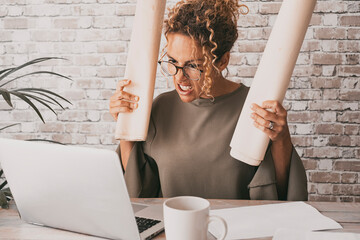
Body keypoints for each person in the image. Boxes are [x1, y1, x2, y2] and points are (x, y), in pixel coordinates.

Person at [109, 0, 308, 200]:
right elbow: (138, 191)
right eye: (172, 62)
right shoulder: (161, 108)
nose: (179, 77)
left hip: (237, 230)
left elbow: (278, 197)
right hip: (174, 230)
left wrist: (281, 139)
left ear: (222, 61)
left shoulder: (254, 109)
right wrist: (124, 123)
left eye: (193, 66)